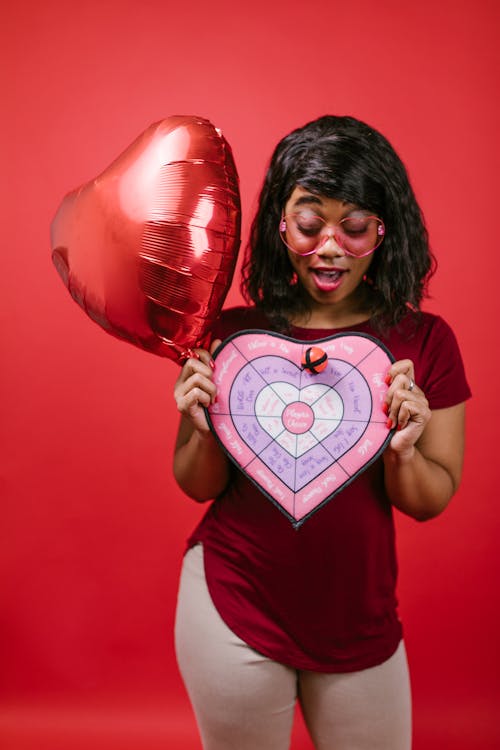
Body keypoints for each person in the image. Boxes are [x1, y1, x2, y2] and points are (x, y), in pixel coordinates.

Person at [172, 115, 470, 750]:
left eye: (354, 226)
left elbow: (430, 500)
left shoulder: (424, 343)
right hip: (233, 599)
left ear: (385, 232)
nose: (330, 247)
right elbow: (196, 485)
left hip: (357, 621)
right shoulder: (230, 334)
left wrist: (404, 452)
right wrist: (199, 427)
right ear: (281, 226)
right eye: (310, 225)